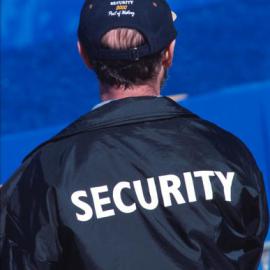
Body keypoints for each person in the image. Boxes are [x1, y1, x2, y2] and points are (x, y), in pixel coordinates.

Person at [0, 0, 269, 269]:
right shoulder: (226, 152)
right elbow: (249, 247)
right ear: (169, 52)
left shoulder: (42, 175)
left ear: (83, 55)